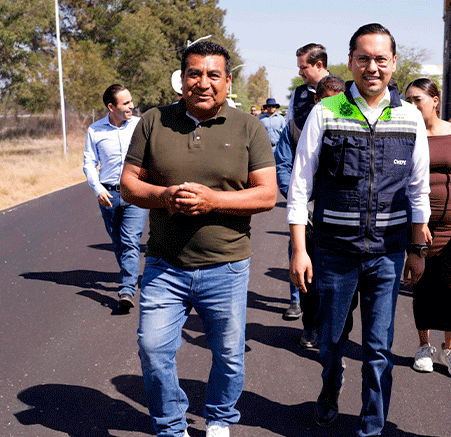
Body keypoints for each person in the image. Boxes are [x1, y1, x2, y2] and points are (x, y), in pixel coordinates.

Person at [120, 40, 277, 437]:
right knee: (154, 350)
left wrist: (213, 201)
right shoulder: (153, 121)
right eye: (194, 73)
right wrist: (164, 196)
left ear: (227, 81)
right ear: (182, 79)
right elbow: (127, 185)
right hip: (164, 265)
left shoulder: (249, 127)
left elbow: (267, 194)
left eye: (212, 75)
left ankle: (220, 417)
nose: (202, 83)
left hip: (226, 266)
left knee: (228, 355)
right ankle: (171, 426)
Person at [287, 23, 430, 436]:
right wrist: (300, 249)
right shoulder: (326, 112)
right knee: (330, 339)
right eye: (363, 59)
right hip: (333, 252)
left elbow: (418, 190)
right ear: (350, 62)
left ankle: (371, 425)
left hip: (387, 254)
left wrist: (417, 250)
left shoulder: (409, 118)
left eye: (380, 59)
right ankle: (330, 385)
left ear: (393, 64)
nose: (372, 67)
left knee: (379, 348)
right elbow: (300, 186)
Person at [404, 78, 451, 378]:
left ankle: (450, 347)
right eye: (407, 100)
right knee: (422, 285)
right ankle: (424, 346)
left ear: (435, 100)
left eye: (417, 99)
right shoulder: (405, 135)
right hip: (419, 226)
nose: (412, 105)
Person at [276, 75, 347, 347]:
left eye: (339, 102)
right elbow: (283, 166)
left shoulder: (352, 125)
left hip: (340, 216)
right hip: (307, 215)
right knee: (307, 273)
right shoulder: (294, 128)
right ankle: (310, 325)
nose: (334, 107)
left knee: (335, 280)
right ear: (317, 100)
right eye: (328, 100)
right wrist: (298, 197)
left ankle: (331, 329)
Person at [82, 84, 148, 314]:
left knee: (130, 241)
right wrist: (98, 189)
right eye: (125, 103)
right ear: (111, 107)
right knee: (118, 243)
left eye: (131, 101)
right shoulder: (95, 130)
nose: (131, 106)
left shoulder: (140, 126)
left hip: (135, 194)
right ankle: (128, 277)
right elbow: (89, 163)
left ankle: (127, 289)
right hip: (108, 194)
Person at [279, 43, 332, 322]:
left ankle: (325, 307)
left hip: (331, 191)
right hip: (302, 187)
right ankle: (296, 300)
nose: (300, 72)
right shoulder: (298, 95)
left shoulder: (342, 93)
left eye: (303, 67)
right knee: (297, 246)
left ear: (319, 65)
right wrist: (290, 188)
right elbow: (288, 137)